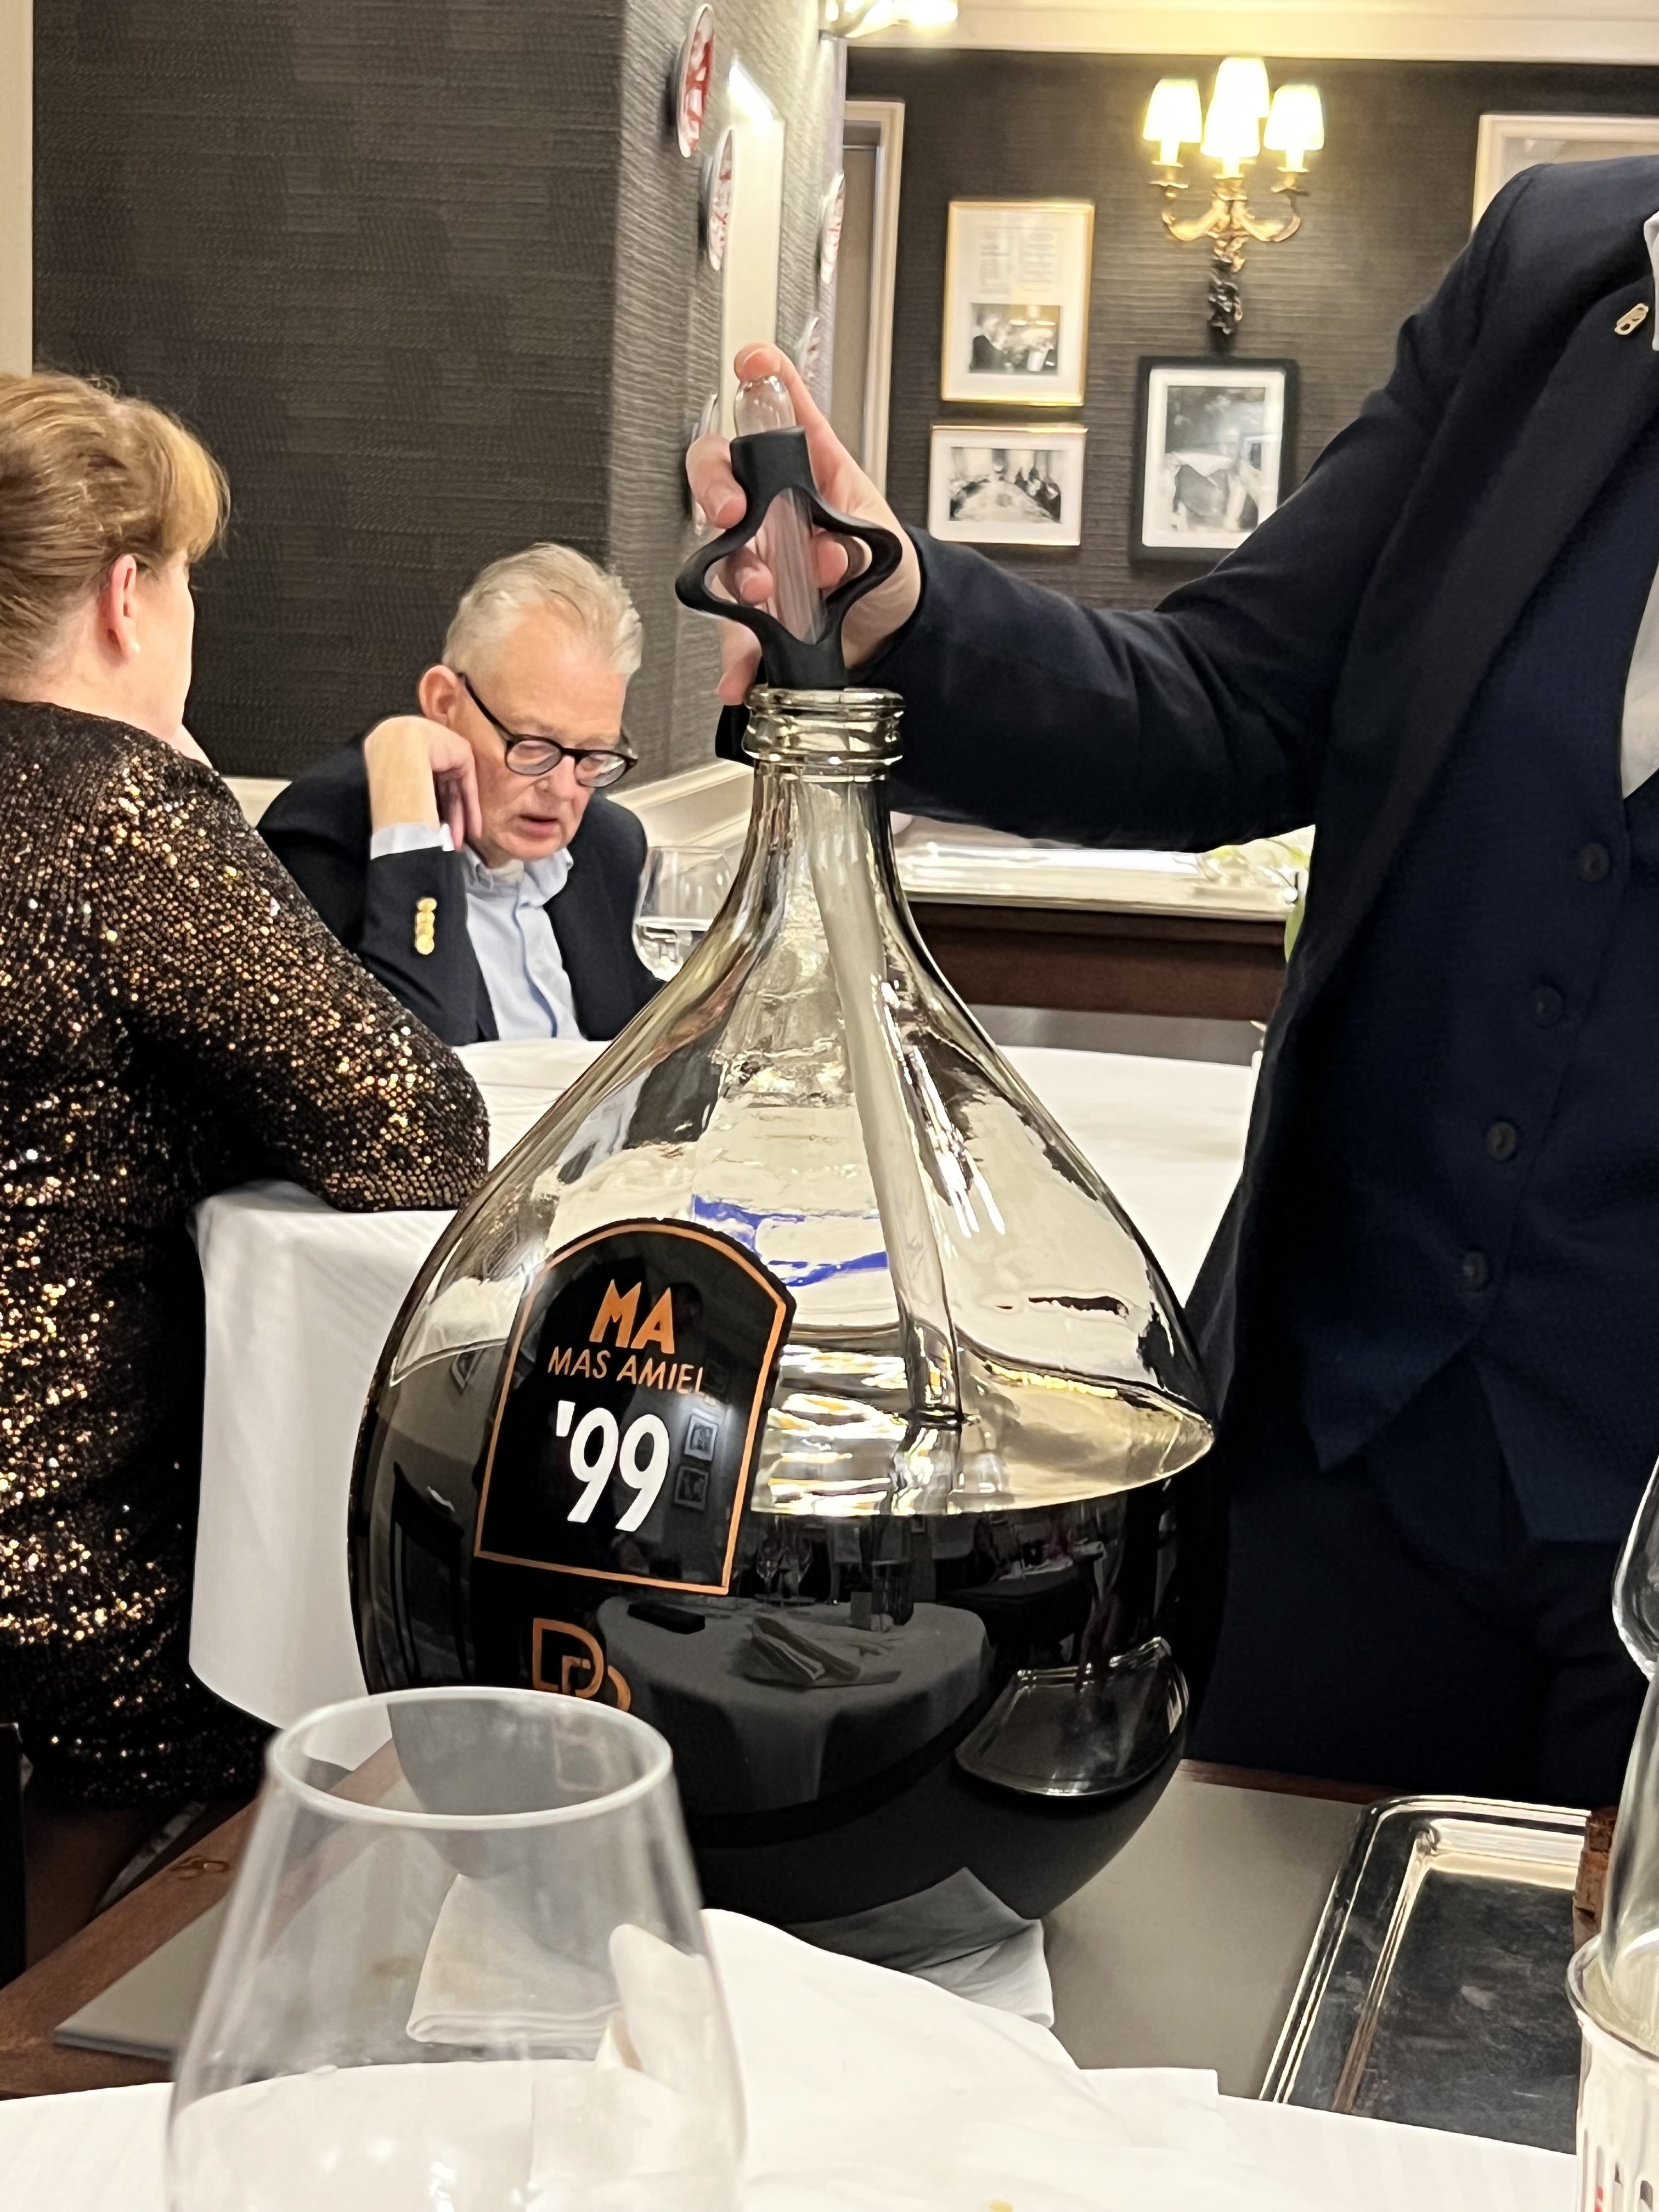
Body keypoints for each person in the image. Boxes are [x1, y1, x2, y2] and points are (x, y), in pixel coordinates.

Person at [688, 156, 1659, 1808]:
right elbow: (1233, 697)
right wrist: (903, 611)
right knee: (1223, 1948)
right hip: (1350, 1445)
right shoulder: (1564, 273)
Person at [0, 370, 488, 1948]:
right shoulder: (121, 818)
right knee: (329, 1680)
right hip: (55, 1577)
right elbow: (418, 1128)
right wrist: (189, 784)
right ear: (127, 596)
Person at [260, 546, 658, 1047]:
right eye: (532, 746)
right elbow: (415, 1069)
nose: (562, 789)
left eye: (594, 754)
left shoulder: (610, 845)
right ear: (444, 702)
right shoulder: (319, 843)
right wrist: (410, 827)